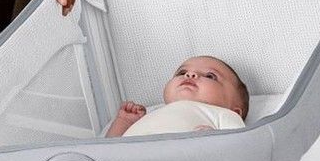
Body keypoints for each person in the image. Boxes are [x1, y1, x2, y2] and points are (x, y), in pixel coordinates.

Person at [106, 56, 250, 137]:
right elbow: (108, 148)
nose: (190, 74)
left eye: (210, 76)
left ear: (234, 110)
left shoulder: (222, 114)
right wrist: (123, 122)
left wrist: (213, 140)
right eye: (182, 73)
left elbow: (237, 145)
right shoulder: (152, 114)